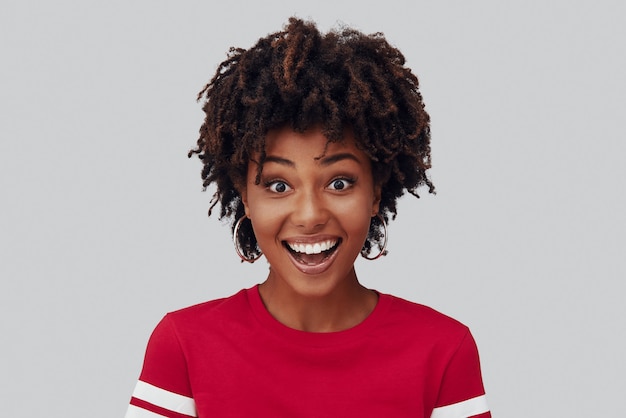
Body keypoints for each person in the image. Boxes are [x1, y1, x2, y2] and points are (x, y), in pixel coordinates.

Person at [125, 17, 491, 418]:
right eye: (279, 186)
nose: (310, 215)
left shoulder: (442, 352)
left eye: (339, 183)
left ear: (376, 192)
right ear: (245, 196)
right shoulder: (183, 347)